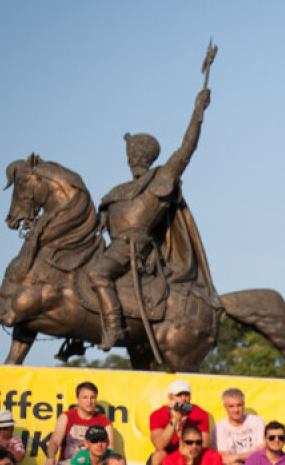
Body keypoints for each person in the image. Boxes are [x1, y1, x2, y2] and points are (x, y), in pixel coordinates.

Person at [88, 84, 211, 351]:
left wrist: (197, 113)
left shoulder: (160, 179)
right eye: (132, 154)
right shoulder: (118, 192)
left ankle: (113, 326)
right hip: (111, 246)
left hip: (135, 247)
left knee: (97, 273)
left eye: (139, 154)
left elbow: (186, 149)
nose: (135, 159)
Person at [42, 382, 113, 465]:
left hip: (92, 464)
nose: (89, 401)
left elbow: (110, 449)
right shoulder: (67, 416)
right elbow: (55, 441)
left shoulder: (104, 421)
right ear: (77, 399)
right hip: (69, 464)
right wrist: (51, 456)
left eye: (92, 397)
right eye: (85, 397)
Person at [147, 379, 212, 465]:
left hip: (190, 457)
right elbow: (159, 445)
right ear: (170, 397)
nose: (183, 398)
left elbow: (202, 446)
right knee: (158, 456)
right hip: (168, 459)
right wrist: (173, 420)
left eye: (186, 394)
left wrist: (179, 430)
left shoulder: (199, 414)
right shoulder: (158, 414)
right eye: (179, 395)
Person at [212, 388, 265, 465]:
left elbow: (261, 451)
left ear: (244, 405)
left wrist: (236, 457)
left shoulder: (257, 421)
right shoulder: (219, 427)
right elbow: (223, 457)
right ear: (225, 407)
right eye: (231, 406)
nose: (236, 410)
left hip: (256, 463)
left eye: (239, 405)